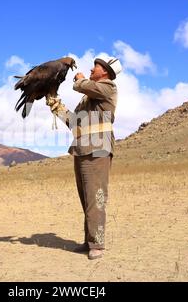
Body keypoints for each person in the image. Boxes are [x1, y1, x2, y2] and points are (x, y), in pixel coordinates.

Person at [47, 57, 122, 260]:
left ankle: (97, 244)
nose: (90, 68)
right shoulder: (87, 100)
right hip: (81, 150)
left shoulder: (108, 88)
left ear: (105, 72)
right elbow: (74, 123)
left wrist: (78, 79)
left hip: (98, 150)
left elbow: (83, 85)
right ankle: (89, 241)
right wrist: (55, 105)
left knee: (95, 198)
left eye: (95, 66)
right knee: (86, 198)